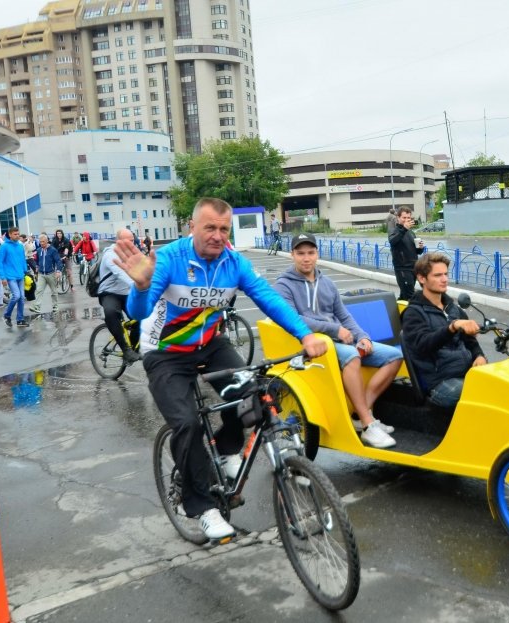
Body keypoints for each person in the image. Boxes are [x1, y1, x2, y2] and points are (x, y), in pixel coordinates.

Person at [113, 197, 327, 541]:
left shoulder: (234, 262)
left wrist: (305, 334)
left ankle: (227, 451)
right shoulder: (169, 259)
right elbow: (138, 313)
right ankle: (202, 507)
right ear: (192, 226)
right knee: (186, 424)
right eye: (209, 227)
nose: (217, 235)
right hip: (166, 352)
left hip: (211, 346)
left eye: (223, 229)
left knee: (253, 397)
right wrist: (140, 286)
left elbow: (268, 298)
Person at [275, 233, 401, 449]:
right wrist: (334, 329)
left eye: (311, 253)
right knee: (352, 356)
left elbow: (344, 315)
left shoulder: (327, 283)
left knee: (394, 356)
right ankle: (369, 426)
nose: (306, 258)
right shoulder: (284, 285)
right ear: (292, 255)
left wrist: (362, 336)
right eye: (300, 253)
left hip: (340, 340)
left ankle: (360, 414)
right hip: (311, 343)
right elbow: (294, 318)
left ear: (317, 254)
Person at [401, 253, 487, 409]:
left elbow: (470, 341)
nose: (444, 279)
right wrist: (452, 327)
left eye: (446, 274)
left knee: (507, 384)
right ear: (422, 278)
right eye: (438, 275)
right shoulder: (413, 313)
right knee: (484, 393)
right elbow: (423, 345)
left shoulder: (453, 308)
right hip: (440, 383)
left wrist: (479, 356)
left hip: (467, 373)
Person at [99, 229, 141, 364]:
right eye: (128, 241)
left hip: (127, 293)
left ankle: (133, 349)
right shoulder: (110, 255)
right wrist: (139, 286)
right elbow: (120, 273)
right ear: (118, 242)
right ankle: (126, 350)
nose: (132, 244)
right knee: (111, 313)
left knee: (142, 317)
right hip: (109, 293)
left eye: (133, 241)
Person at [388, 205, 425, 300]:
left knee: (404, 296)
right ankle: (412, 314)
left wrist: (420, 247)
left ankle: (397, 313)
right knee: (410, 296)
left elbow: (416, 251)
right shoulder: (395, 230)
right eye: (404, 217)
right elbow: (393, 241)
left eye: (408, 218)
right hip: (402, 269)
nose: (407, 220)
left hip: (413, 268)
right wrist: (404, 229)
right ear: (398, 218)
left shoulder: (411, 232)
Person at [0, 227, 29, 328]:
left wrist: (26, 271)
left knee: (21, 298)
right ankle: (6, 315)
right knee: (16, 296)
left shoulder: (20, 246)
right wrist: (2, 277)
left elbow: (23, 260)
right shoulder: (4, 246)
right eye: (15, 234)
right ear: (10, 234)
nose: (17, 236)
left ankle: (20, 319)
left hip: (20, 275)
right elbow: (0, 262)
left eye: (18, 234)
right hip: (10, 276)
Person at [29, 235, 63, 315]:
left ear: (47, 241)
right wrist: (37, 268)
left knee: (54, 291)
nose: (41, 243)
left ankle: (55, 306)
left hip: (51, 274)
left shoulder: (53, 250)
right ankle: (37, 307)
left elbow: (58, 261)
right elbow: (37, 261)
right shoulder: (39, 250)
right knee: (39, 290)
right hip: (41, 274)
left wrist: (58, 271)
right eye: (40, 242)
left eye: (43, 241)